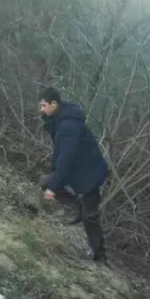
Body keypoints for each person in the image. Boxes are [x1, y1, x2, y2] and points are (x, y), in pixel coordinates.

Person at [39, 87, 109, 263]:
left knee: (90, 216)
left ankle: (100, 257)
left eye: (44, 106)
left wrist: (54, 187)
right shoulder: (59, 119)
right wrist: (54, 178)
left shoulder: (69, 125)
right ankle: (77, 208)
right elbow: (60, 152)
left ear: (54, 103)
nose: (42, 110)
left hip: (90, 172)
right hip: (78, 170)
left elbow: (66, 157)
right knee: (47, 183)